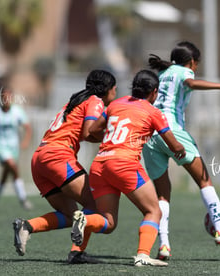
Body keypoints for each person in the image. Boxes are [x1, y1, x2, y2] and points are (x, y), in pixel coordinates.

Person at [70, 70, 186, 267]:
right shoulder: (153, 112)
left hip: (100, 164)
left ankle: (85, 221)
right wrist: (180, 149)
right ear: (154, 92)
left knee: (108, 223)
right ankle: (143, 254)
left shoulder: (116, 103)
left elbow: (93, 130)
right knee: (153, 211)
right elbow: (174, 145)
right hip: (124, 164)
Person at [142, 41, 220, 260]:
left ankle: (164, 245)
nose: (195, 69)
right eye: (196, 65)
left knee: (162, 195)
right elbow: (191, 82)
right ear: (192, 62)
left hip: (150, 135)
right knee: (204, 181)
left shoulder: (162, 74)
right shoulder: (183, 71)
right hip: (171, 129)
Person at [12, 70, 117, 264]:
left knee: (70, 215)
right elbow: (88, 132)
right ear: (107, 89)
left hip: (40, 158)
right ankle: (76, 253)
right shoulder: (96, 101)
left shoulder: (73, 102)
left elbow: (85, 133)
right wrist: (114, 137)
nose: (116, 91)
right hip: (58, 156)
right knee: (94, 205)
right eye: (115, 88)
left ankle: (27, 226)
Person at [0, 86, 33, 211]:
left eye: (8, 97)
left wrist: (26, 141)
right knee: (12, 165)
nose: (6, 99)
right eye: (4, 97)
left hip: (13, 146)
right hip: (0, 145)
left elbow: (27, 127)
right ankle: (23, 198)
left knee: (7, 173)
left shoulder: (17, 111)